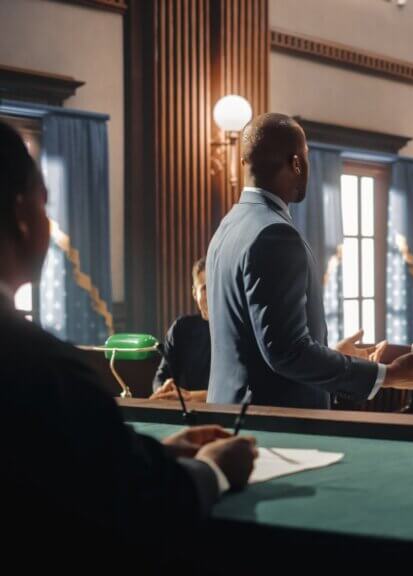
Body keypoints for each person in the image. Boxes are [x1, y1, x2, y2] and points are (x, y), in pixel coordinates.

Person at [0, 119, 257, 569]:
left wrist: (154, 454)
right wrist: (214, 468)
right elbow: (141, 506)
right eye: (46, 204)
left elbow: (76, 463)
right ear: (23, 216)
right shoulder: (41, 369)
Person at [206, 113, 413, 408]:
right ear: (296, 163)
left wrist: (332, 354)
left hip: (231, 413)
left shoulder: (228, 226)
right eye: (306, 158)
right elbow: (287, 353)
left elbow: (260, 342)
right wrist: (387, 374)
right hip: (275, 427)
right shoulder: (275, 234)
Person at [151, 256, 211, 401]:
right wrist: (164, 389)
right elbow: (161, 377)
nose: (212, 295)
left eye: (216, 287)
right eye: (205, 289)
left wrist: (192, 397)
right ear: (194, 293)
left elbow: (240, 392)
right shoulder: (181, 328)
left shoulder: (237, 329)